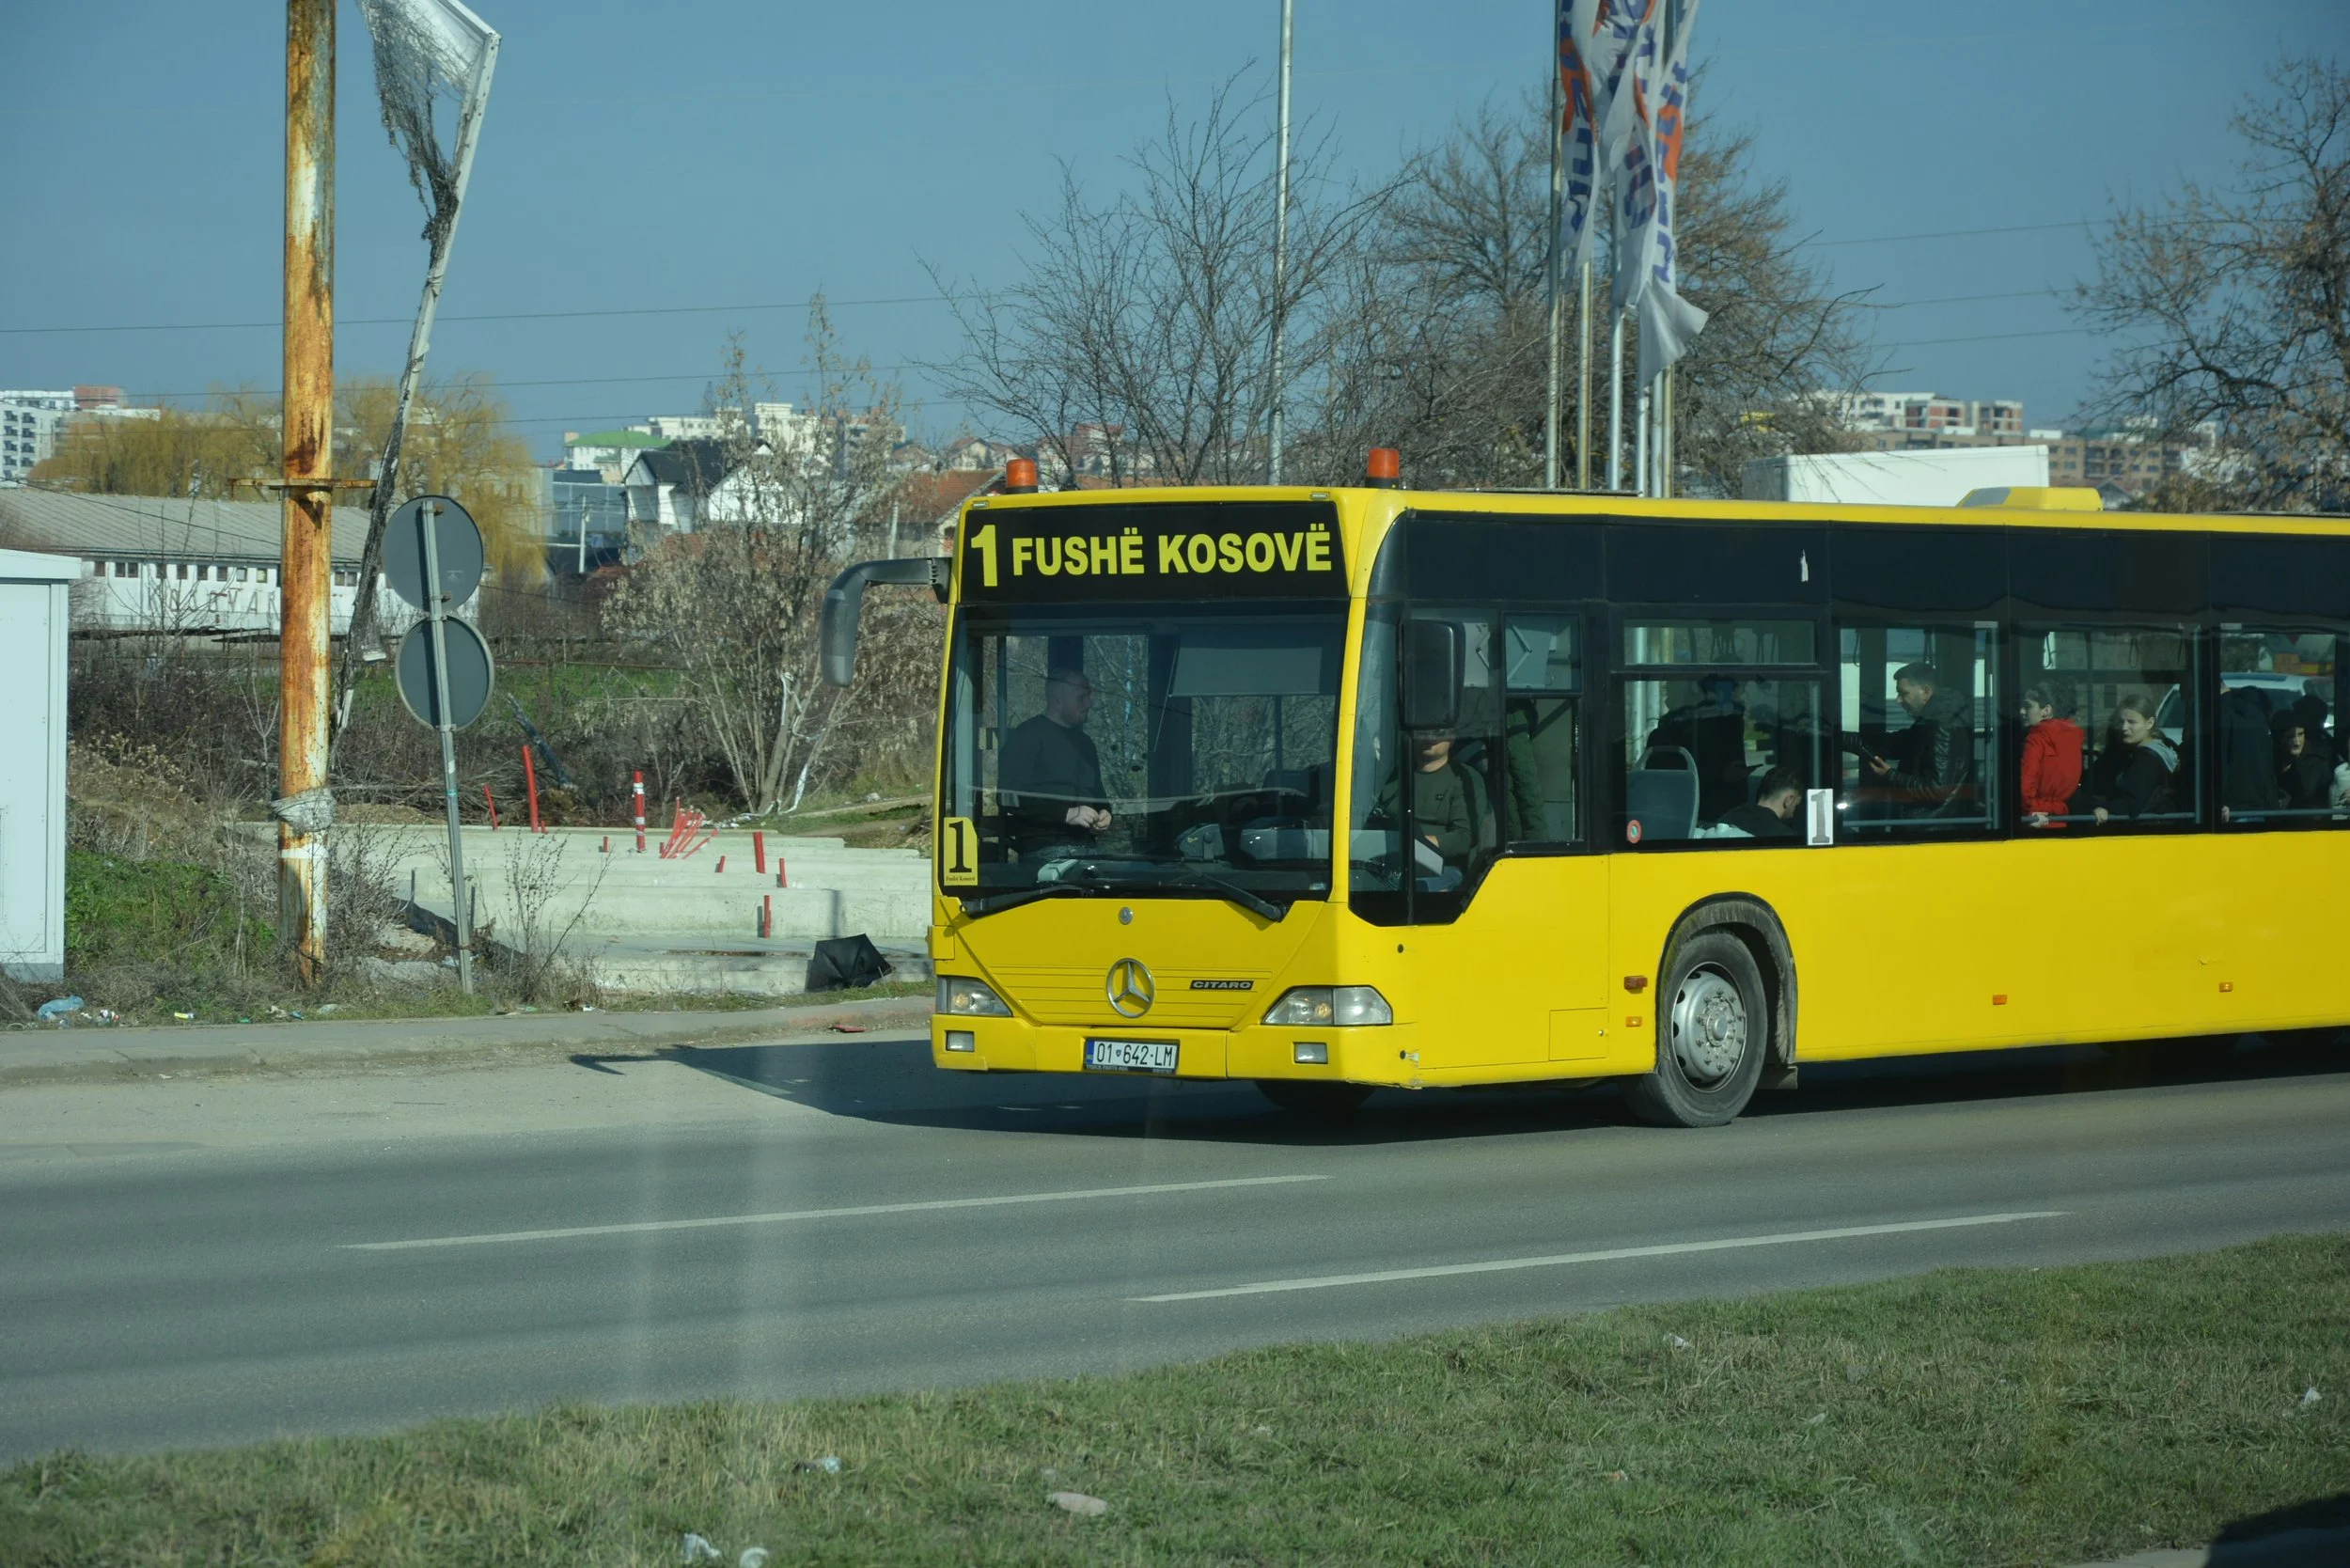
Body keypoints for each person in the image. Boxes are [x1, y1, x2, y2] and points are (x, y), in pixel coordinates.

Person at [998, 667, 1112, 856]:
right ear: (1058, 701)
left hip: (1090, 848)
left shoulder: (1086, 744)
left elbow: (1099, 794)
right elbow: (1008, 797)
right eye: (1081, 698)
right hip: (1045, 848)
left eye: (1089, 696)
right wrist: (1066, 814)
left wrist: (1105, 813)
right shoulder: (1027, 736)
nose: (1089, 703)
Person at [1855, 662, 1975, 817]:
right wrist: (1838, 738)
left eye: (1903, 693)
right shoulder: (1930, 723)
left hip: (1928, 828)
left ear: (1926, 692)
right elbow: (1890, 743)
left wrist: (1889, 774)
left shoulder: (1940, 726)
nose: (1898, 700)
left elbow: (1936, 790)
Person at [1372, 731, 1494, 867]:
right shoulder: (1395, 775)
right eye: (1424, 730)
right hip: (1384, 861)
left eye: (1439, 732)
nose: (1430, 736)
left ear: (1452, 739)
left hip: (1441, 870)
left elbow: (1464, 838)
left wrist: (1417, 845)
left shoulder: (1464, 778)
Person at [2071, 694, 2180, 824]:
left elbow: (2132, 804)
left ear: (2149, 723)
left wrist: (2104, 808)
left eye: (2131, 722)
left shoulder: (2145, 759)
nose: (2124, 728)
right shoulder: (2162, 747)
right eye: (2121, 722)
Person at [2019, 682, 2085, 826]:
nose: (2022, 711)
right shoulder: (2073, 738)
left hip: (2035, 820)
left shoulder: (2036, 739)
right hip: (2060, 820)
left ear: (2046, 710)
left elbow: (2024, 792)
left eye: (2028, 706)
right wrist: (2058, 807)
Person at [1716, 767, 1803, 838]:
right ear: (1789, 800)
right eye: (1796, 805)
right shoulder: (1784, 837)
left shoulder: (1726, 819)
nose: (1794, 813)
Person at [2275, 713, 2334, 811]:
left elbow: (2310, 797)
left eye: (2300, 734)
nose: (2297, 742)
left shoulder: (2317, 763)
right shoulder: (2270, 760)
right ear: (2280, 738)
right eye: (2290, 736)